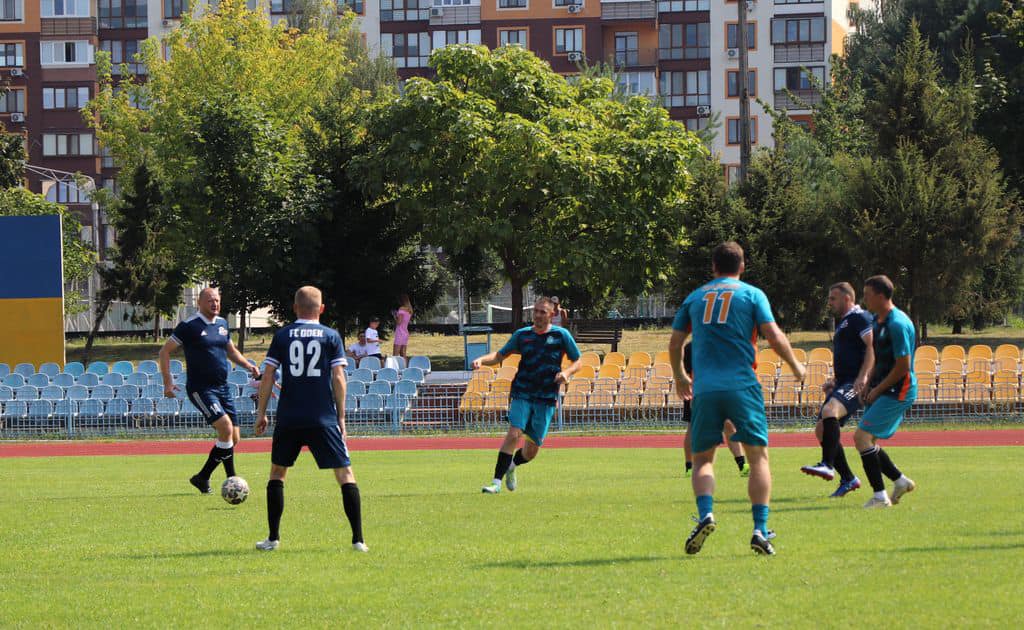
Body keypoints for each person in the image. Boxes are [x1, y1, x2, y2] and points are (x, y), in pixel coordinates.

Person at [669, 242, 805, 556]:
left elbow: (675, 343)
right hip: (743, 385)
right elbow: (773, 335)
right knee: (758, 458)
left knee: (703, 460)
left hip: (705, 389)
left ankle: (706, 514)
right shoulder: (753, 295)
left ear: (713, 267)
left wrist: (680, 376)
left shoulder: (695, 297)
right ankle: (759, 529)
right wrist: (795, 365)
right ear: (742, 266)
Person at [254, 286, 367, 552]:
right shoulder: (331, 336)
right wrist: (341, 416)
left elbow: (268, 375)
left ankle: (273, 538)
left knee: (277, 473)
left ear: (295, 308)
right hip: (323, 417)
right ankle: (358, 540)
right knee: (345, 473)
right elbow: (338, 377)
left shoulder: (282, 335)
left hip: (289, 416)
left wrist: (261, 413)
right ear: (322, 309)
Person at [473, 296, 582, 494]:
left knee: (531, 451)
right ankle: (496, 483)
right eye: (536, 311)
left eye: (542, 312)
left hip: (546, 397)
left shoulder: (561, 335)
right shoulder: (522, 335)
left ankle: (512, 466)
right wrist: (481, 360)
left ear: (552, 314)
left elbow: (578, 361)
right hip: (522, 392)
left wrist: (566, 373)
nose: (538, 315)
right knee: (514, 433)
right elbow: (499, 355)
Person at [159, 287, 259, 494]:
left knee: (233, 438)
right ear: (199, 302)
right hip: (201, 389)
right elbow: (164, 351)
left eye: (217, 300)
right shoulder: (189, 326)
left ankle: (202, 478)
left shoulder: (222, 324)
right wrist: (168, 382)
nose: (215, 304)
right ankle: (232, 480)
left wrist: (248, 365)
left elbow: (231, 351)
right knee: (226, 429)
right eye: (210, 300)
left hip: (223, 387)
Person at [800, 282, 873, 498]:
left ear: (847, 298)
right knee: (821, 430)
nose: (829, 302)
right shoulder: (845, 322)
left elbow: (872, 346)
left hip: (856, 383)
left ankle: (827, 464)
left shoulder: (860, 317)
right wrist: (835, 380)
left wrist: (863, 377)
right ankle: (848, 478)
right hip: (844, 382)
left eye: (833, 298)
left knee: (829, 411)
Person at [856, 275, 917, 509]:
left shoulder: (897, 324)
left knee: (861, 437)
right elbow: (879, 358)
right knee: (868, 440)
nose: (864, 299)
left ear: (881, 296)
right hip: (882, 388)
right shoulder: (876, 320)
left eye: (867, 295)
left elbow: (902, 366)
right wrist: (868, 383)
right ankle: (900, 481)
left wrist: (877, 390)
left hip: (899, 390)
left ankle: (880, 497)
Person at [682, 342, 750, 478]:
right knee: (693, 427)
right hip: (698, 391)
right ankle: (689, 467)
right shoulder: (692, 347)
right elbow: (690, 373)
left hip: (719, 389)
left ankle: (742, 465)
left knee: (728, 425)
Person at [393, 295, 413, 359]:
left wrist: (394, 316)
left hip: (400, 332)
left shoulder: (401, 309)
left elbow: (399, 322)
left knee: (395, 354)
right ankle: (405, 366)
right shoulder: (410, 310)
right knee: (403, 354)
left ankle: (395, 366)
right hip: (405, 332)